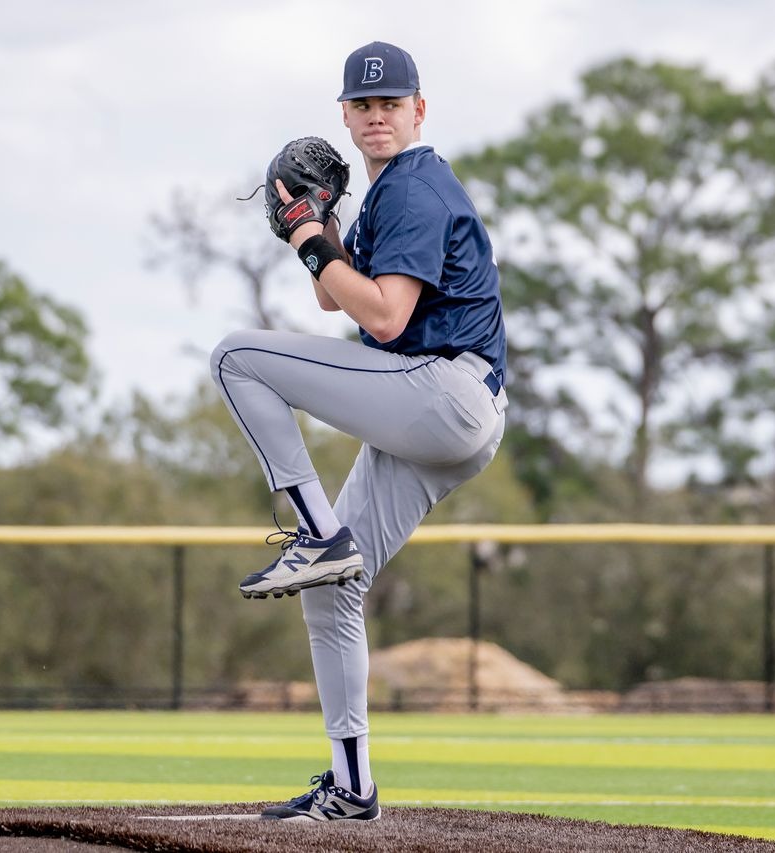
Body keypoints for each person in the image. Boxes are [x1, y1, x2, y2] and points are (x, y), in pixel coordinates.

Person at [210, 40, 507, 822]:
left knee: (237, 356)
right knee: (331, 592)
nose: (377, 116)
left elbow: (383, 314)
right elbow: (334, 301)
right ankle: (351, 787)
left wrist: (308, 237)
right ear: (344, 115)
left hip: (443, 392)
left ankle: (316, 529)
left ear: (419, 109)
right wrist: (325, 227)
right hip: (450, 409)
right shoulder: (387, 194)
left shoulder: (413, 186)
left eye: (391, 103)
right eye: (363, 105)